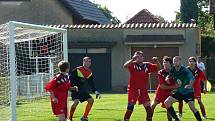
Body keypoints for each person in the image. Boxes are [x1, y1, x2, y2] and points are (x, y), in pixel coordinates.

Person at [123, 51, 160, 121]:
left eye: (140, 56)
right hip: (133, 89)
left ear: (143, 57)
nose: (139, 58)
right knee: (130, 107)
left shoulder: (147, 65)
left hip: (143, 90)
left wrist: (156, 61)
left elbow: (158, 68)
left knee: (149, 110)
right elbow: (125, 66)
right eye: (137, 57)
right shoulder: (133, 64)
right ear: (135, 58)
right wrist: (132, 60)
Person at [164, 56, 202, 121]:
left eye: (177, 61)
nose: (175, 62)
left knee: (192, 106)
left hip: (188, 92)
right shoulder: (173, 69)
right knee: (167, 102)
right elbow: (169, 75)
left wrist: (190, 85)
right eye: (174, 61)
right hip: (180, 92)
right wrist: (167, 78)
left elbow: (192, 78)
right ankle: (176, 119)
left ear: (180, 62)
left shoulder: (185, 70)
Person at [69, 57, 101, 121]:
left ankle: (84, 117)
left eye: (89, 61)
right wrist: (71, 88)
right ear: (83, 62)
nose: (88, 63)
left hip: (82, 90)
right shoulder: (77, 69)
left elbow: (91, 83)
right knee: (76, 102)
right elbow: (70, 79)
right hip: (75, 89)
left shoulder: (89, 72)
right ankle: (70, 118)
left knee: (91, 100)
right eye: (86, 61)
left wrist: (96, 91)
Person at [151, 56, 179, 121]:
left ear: (171, 64)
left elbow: (178, 82)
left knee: (168, 110)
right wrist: (174, 87)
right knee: (152, 106)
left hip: (169, 93)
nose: (164, 64)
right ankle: (149, 119)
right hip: (160, 92)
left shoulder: (175, 72)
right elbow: (162, 86)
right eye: (164, 62)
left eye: (166, 62)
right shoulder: (160, 72)